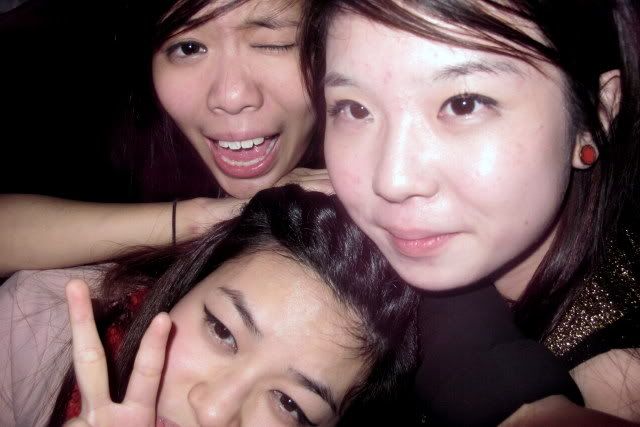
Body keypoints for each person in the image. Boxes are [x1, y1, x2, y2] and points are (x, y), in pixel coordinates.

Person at [300, 0, 640, 424]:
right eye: (355, 109)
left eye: (464, 104)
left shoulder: (619, 381)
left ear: (597, 116)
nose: (393, 180)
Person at [0, 185, 419, 427]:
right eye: (222, 331)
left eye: (290, 405)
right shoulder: (39, 326)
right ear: (187, 282)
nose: (214, 412)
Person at [0, 0, 331, 276]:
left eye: (273, 44)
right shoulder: (108, 122)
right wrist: (206, 218)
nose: (230, 97)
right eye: (189, 48)